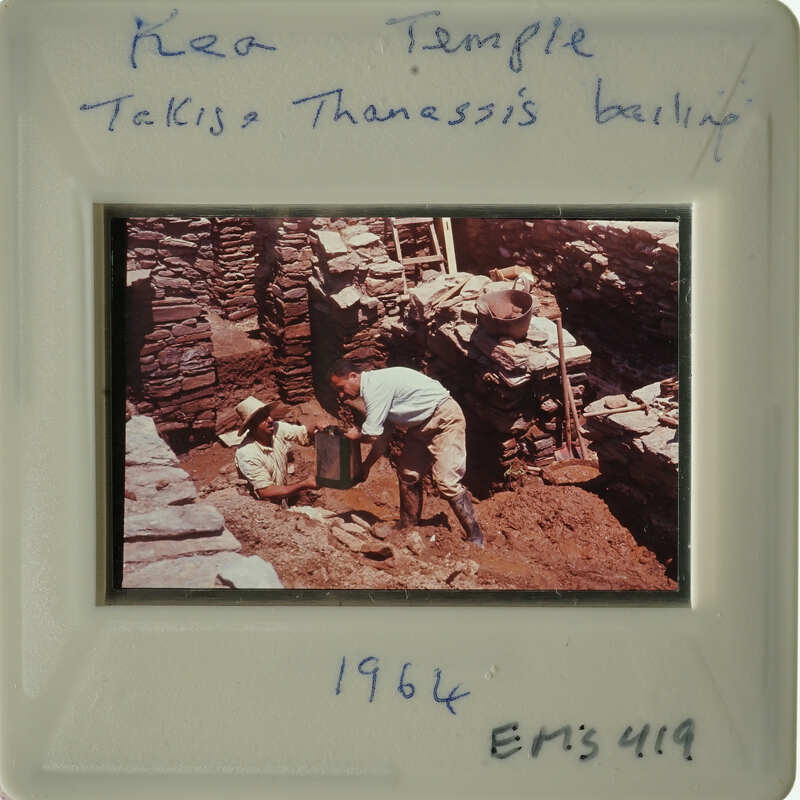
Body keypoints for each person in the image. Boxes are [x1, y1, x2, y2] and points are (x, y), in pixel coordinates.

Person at [327, 360, 484, 547]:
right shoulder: (375, 391)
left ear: (353, 376)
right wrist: (367, 467)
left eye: (341, 388)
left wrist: (356, 436)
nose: (342, 395)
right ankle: (408, 525)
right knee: (408, 475)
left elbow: (371, 435)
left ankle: (476, 537)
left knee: (446, 482)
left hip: (444, 419)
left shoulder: (375, 388)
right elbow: (382, 437)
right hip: (420, 427)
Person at [233, 396, 318, 503]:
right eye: (263, 418)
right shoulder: (247, 453)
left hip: (282, 500)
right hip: (263, 507)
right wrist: (303, 484)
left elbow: (303, 433)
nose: (270, 420)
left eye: (268, 415)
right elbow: (265, 491)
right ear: (252, 425)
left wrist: (316, 428)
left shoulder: (276, 428)